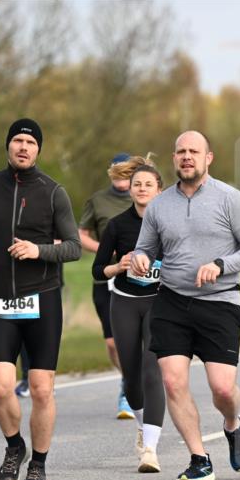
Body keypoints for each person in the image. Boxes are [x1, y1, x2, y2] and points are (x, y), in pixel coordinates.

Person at [132, 131, 240, 480]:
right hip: (172, 303)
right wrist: (141, 259)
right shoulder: (160, 205)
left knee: (223, 389)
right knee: (173, 382)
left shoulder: (229, 198)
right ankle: (199, 457)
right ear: (174, 158)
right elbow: (145, 247)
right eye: (180, 151)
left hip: (219, 302)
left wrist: (220, 264)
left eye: (194, 151)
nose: (187, 156)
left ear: (209, 157)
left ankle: (232, 424)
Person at [0, 118, 82, 480]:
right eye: (17, 140)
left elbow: (74, 247)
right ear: (8, 146)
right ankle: (15, 446)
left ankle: (39, 464)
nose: (24, 147)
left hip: (42, 298)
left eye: (30, 141)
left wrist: (38, 250)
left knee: (42, 389)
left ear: (38, 149)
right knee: (0, 388)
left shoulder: (53, 192)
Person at [93, 156, 167, 473]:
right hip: (123, 301)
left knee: (153, 371)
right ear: (130, 190)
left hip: (160, 303)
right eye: (137, 184)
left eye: (148, 184)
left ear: (159, 190)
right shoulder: (117, 225)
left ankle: (150, 449)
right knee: (132, 376)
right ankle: (142, 425)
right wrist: (119, 266)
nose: (141, 189)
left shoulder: (170, 223)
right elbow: (98, 270)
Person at [79, 153, 136, 419]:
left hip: (141, 278)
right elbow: (81, 236)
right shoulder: (98, 200)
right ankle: (128, 381)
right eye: (116, 172)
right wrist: (108, 252)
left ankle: (135, 386)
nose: (121, 178)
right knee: (113, 344)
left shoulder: (145, 196)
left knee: (138, 340)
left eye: (126, 172)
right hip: (106, 278)